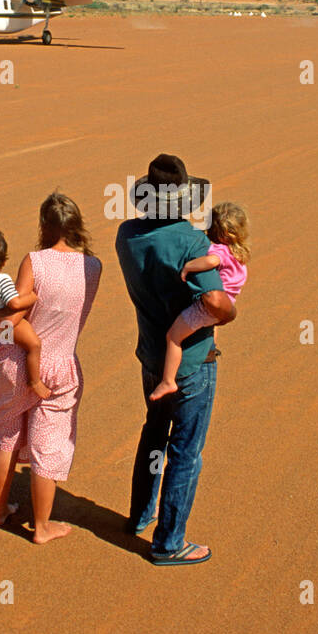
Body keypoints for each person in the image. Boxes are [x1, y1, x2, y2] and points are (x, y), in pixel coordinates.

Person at [115, 154, 237, 565]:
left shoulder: (126, 234)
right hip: (194, 362)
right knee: (185, 451)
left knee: (154, 433)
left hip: (151, 355)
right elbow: (217, 301)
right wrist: (230, 313)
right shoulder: (190, 241)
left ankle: (139, 516)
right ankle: (169, 544)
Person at [0, 193, 101, 544]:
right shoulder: (93, 267)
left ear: (43, 226)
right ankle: (43, 526)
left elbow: (11, 320)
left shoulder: (34, 261)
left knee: (6, 437)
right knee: (49, 444)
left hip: (13, 361)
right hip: (61, 365)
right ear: (78, 226)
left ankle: (0, 513)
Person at [148, 202, 250, 402]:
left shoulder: (220, 250)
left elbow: (211, 261)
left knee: (173, 336)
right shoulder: (239, 252)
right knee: (211, 324)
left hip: (210, 306)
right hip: (226, 302)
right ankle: (212, 345)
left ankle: (168, 380)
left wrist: (188, 267)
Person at [0, 227, 51, 399]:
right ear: (3, 262)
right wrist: (34, 296)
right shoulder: (1, 280)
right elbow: (14, 303)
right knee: (34, 345)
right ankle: (34, 381)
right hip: (9, 324)